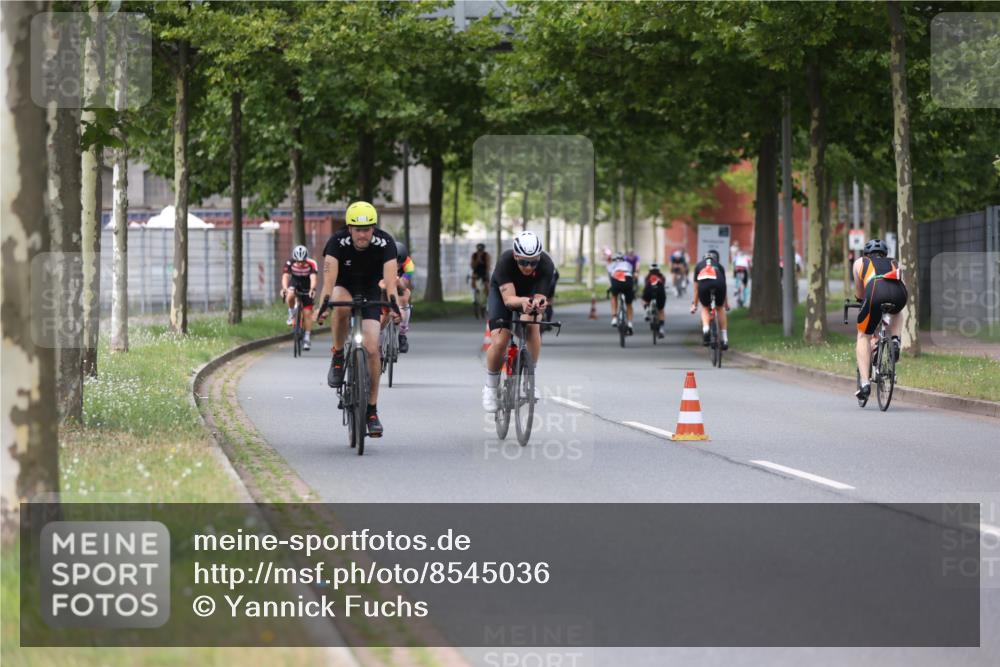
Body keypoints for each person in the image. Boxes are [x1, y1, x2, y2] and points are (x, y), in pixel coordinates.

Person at [314, 201, 400, 437]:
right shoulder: (336, 242)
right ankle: (339, 355)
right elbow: (329, 283)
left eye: (367, 229)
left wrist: (395, 308)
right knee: (340, 307)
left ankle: (371, 410)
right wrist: (321, 307)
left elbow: (391, 283)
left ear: (374, 228)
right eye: (358, 229)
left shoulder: (386, 242)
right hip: (345, 286)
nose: (363, 235)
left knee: (373, 349)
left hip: (371, 290)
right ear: (349, 229)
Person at [481, 230, 554, 411]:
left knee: (533, 326)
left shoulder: (546, 264)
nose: (528, 267)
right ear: (515, 256)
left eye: (533, 262)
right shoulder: (505, 261)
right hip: (503, 296)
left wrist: (539, 303)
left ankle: (529, 380)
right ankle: (490, 389)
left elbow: (540, 296)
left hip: (528, 295)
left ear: (539, 258)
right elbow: (509, 300)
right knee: (500, 342)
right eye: (523, 262)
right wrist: (523, 302)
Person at [852, 238, 908, 401]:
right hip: (899, 294)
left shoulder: (860, 262)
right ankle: (896, 341)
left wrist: (860, 301)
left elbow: (860, 293)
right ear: (885, 254)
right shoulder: (894, 262)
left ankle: (864, 384)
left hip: (875, 292)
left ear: (866, 253)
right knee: (896, 311)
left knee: (863, 334)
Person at [280, 245, 318, 350]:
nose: (300, 263)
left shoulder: (312, 263)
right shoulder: (289, 262)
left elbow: (313, 278)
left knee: (307, 313)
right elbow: (285, 276)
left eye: (303, 261)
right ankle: (292, 313)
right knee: (290, 294)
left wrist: (312, 289)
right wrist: (284, 288)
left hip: (307, 284)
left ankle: (307, 337)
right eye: (298, 261)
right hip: (295, 282)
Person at [690, 249, 729, 349]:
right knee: (720, 308)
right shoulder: (720, 266)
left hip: (704, 285)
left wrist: (694, 304)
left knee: (705, 308)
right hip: (719, 284)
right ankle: (724, 338)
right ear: (715, 259)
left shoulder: (699, 266)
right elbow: (724, 286)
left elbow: (695, 289)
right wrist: (726, 304)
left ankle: (706, 329)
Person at [380, 241, 414, 353]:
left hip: (398, 283)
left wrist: (398, 281)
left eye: (400, 264)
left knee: (405, 296)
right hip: (382, 283)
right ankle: (378, 342)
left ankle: (402, 334)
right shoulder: (381, 260)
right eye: (396, 263)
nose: (398, 266)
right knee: (382, 315)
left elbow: (405, 284)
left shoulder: (409, 264)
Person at [607, 252, 635, 335]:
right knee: (629, 304)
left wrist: (611, 287)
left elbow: (610, 278)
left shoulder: (611, 265)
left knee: (614, 296)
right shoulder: (628, 264)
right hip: (627, 280)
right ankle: (630, 324)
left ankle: (614, 318)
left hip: (616, 279)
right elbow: (631, 274)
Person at [641, 262, 667, 338]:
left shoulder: (647, 277)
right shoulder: (662, 277)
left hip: (648, 291)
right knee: (661, 310)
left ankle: (646, 309)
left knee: (643, 300)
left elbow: (646, 285)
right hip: (660, 293)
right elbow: (663, 285)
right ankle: (661, 328)